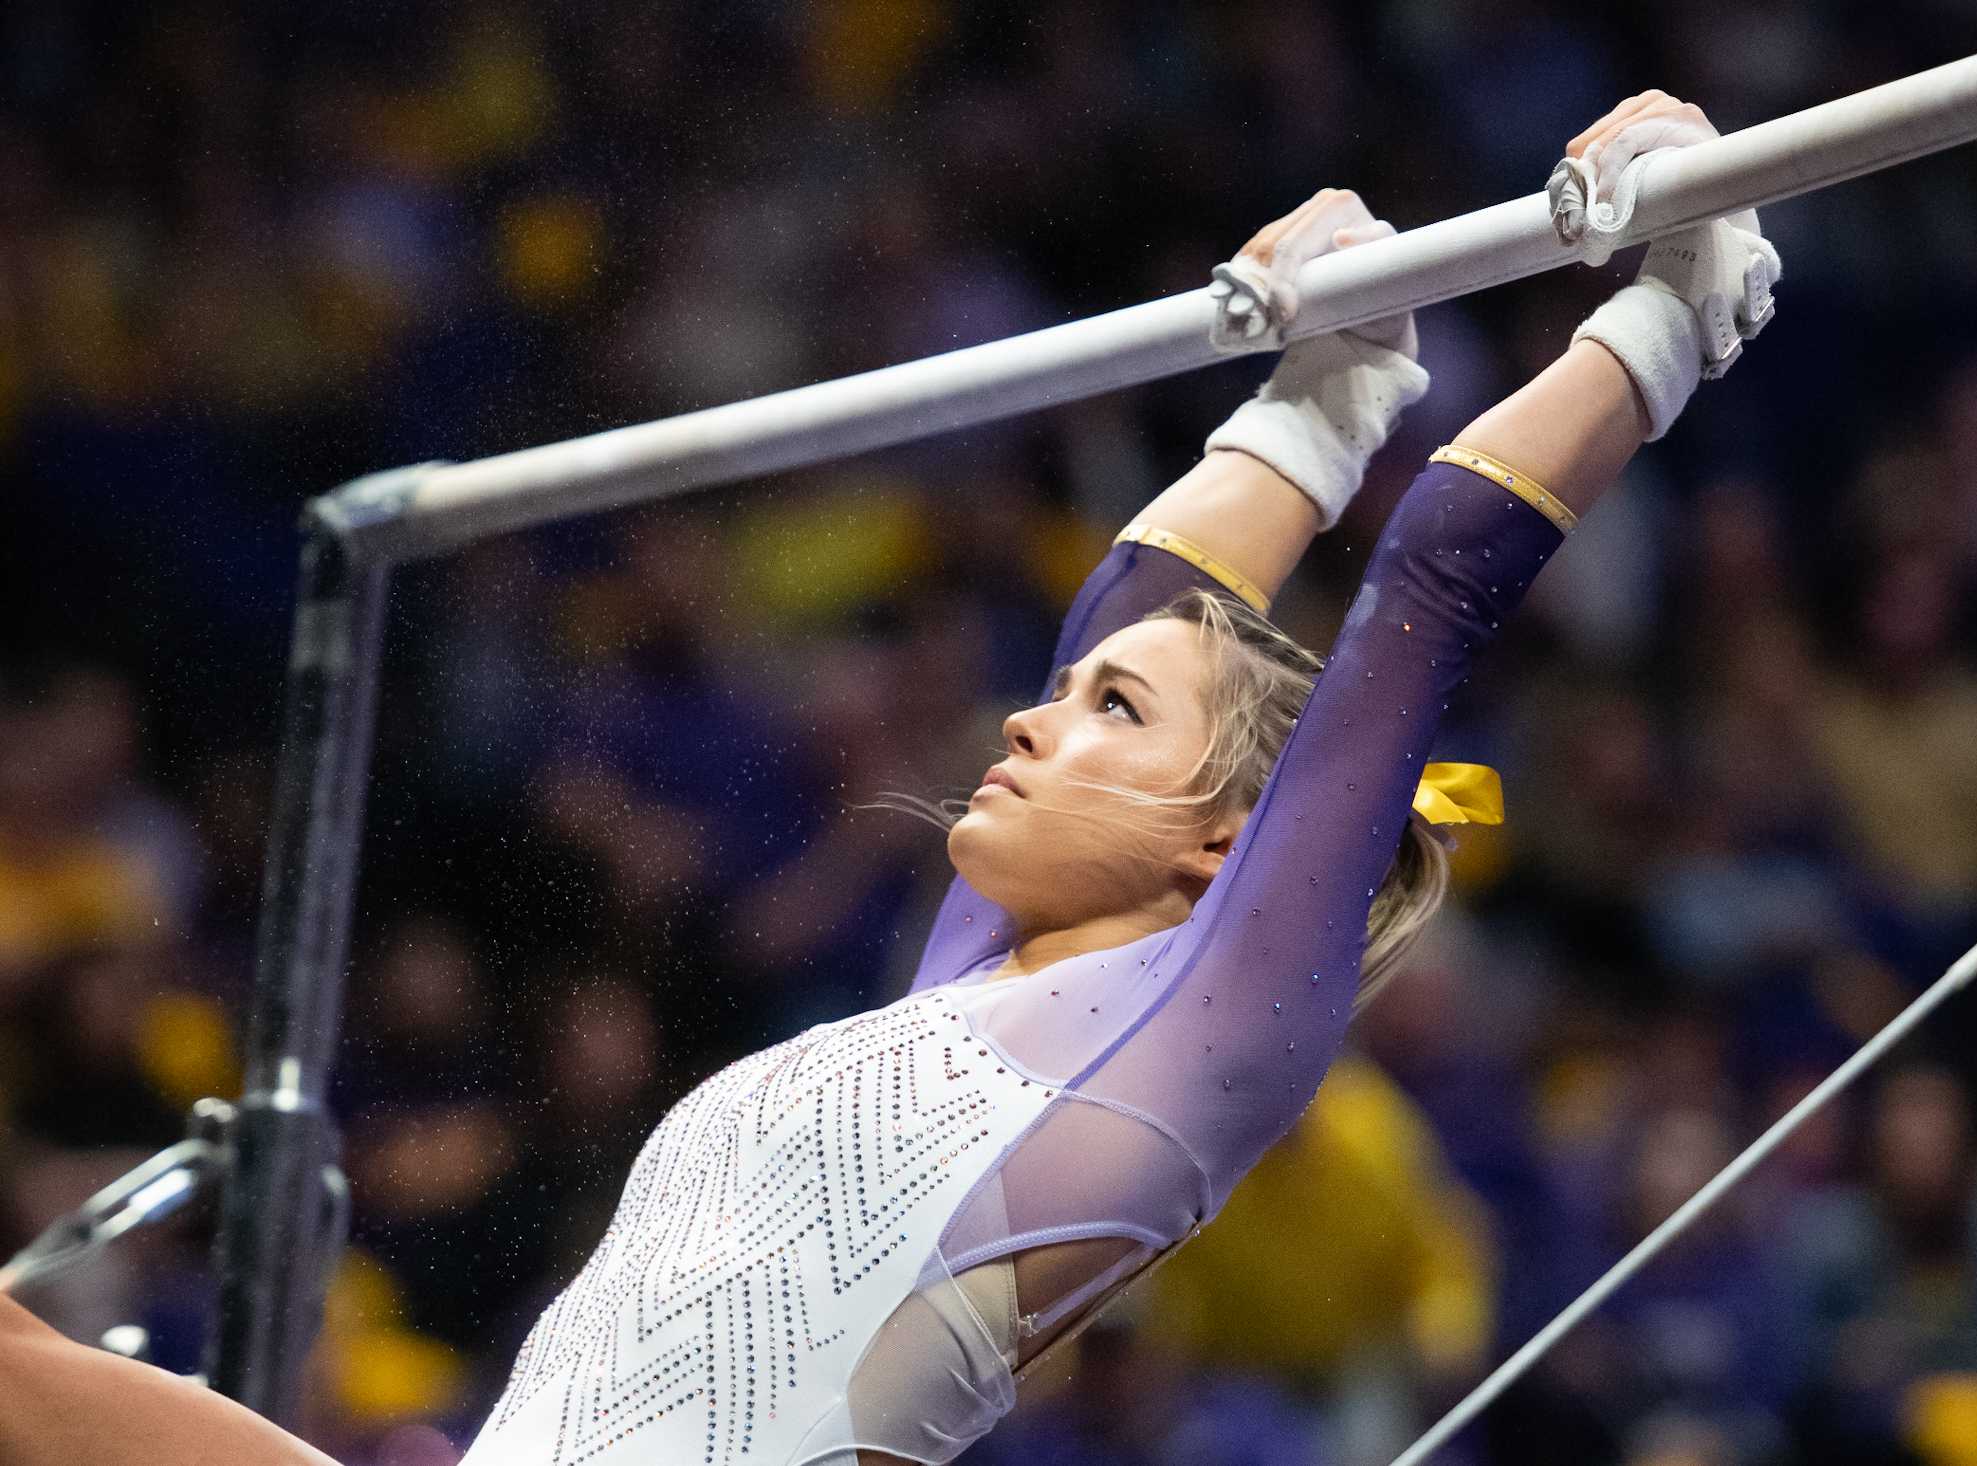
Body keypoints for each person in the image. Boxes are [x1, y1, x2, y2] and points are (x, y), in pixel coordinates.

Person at [0, 91, 1777, 1466]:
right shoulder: (959, 987)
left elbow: (1440, 575)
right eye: (1065, 696)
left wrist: (1680, 296)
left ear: (1221, 842)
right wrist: (1328, 389)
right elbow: (1149, 601)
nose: (1029, 720)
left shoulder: (1202, 1031)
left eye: (1110, 720)